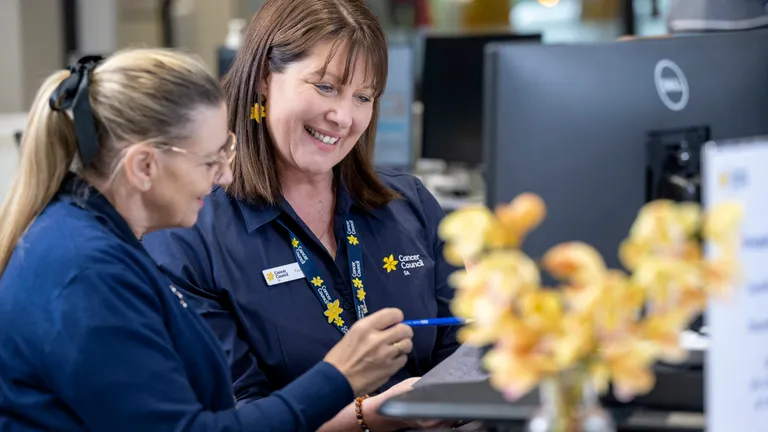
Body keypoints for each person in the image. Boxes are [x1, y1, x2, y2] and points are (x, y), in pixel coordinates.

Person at [0, 48, 415, 432]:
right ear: (144, 165)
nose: (225, 176)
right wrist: (339, 377)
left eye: (227, 152)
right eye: (211, 160)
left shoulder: (89, 240)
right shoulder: (87, 272)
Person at [142, 0, 461, 430]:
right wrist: (371, 418)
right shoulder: (189, 231)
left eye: (363, 97)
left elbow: (465, 354)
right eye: (325, 87)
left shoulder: (411, 204)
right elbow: (230, 416)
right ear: (263, 79)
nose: (344, 117)